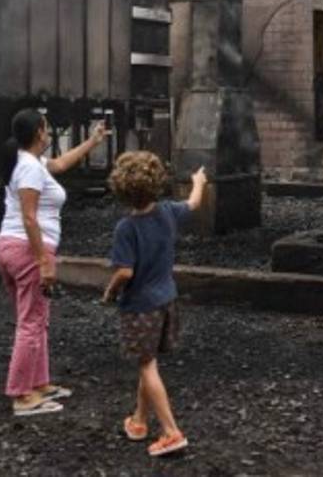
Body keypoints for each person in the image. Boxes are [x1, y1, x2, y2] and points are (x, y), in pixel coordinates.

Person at [0, 108, 105, 416]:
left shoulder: (29, 162)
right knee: (31, 321)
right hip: (27, 250)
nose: (49, 131)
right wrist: (44, 260)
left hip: (10, 247)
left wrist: (92, 142)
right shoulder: (28, 167)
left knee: (37, 317)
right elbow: (29, 217)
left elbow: (60, 163)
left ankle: (39, 383)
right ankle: (21, 394)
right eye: (46, 127)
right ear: (40, 132)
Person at [102, 152, 208, 457]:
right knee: (147, 362)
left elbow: (124, 271)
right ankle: (138, 421)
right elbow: (194, 203)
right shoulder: (167, 212)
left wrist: (110, 291)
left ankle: (171, 432)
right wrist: (198, 181)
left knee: (147, 365)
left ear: (121, 189)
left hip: (140, 307)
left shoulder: (126, 228)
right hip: (167, 301)